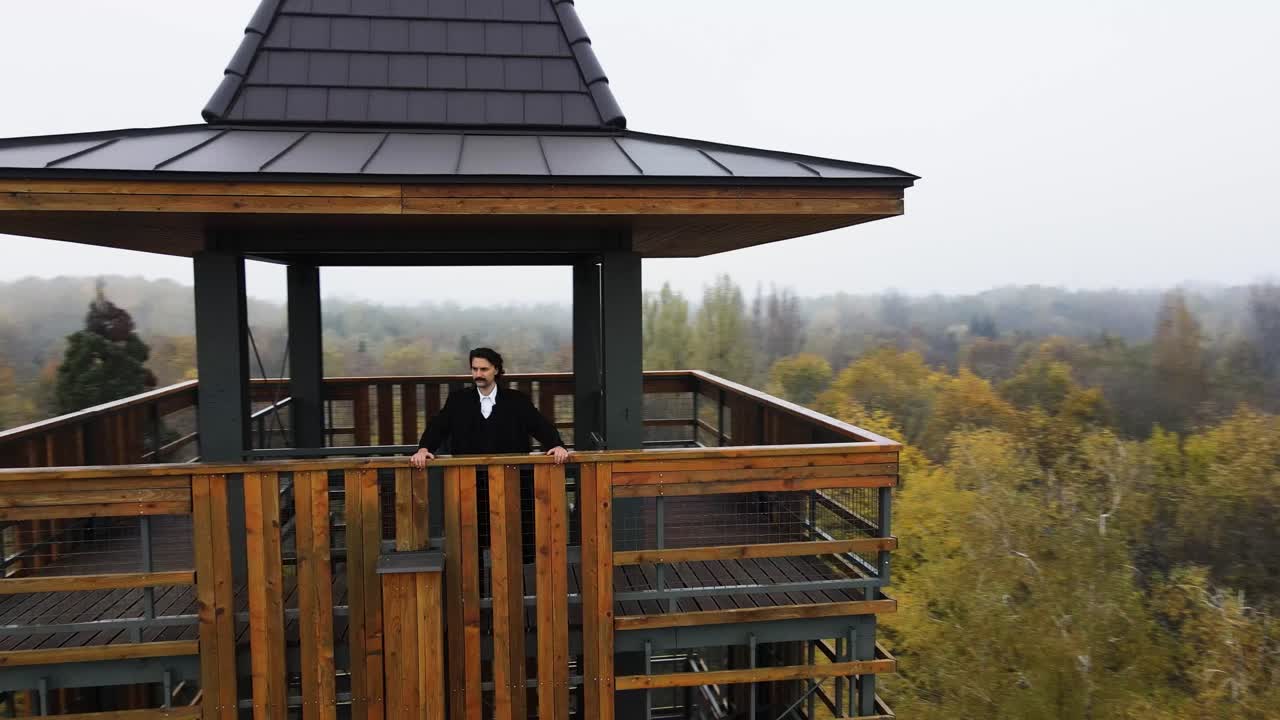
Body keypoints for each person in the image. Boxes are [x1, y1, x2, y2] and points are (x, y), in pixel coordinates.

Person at [410, 347, 569, 466]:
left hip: (511, 477)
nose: (478, 374)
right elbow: (438, 427)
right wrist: (424, 449)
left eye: (484, 369)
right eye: (475, 369)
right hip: (466, 478)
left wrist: (557, 445)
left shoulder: (517, 401)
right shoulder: (458, 400)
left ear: (496, 370)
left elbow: (540, 426)